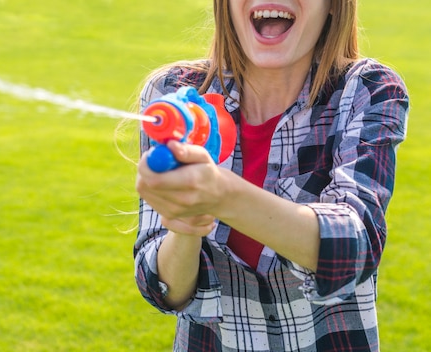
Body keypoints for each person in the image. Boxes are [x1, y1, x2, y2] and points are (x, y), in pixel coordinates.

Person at [133, 0, 409, 351]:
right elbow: (162, 289)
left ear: (334, 7)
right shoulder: (175, 95)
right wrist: (185, 224)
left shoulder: (367, 89)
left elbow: (354, 248)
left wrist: (222, 195)